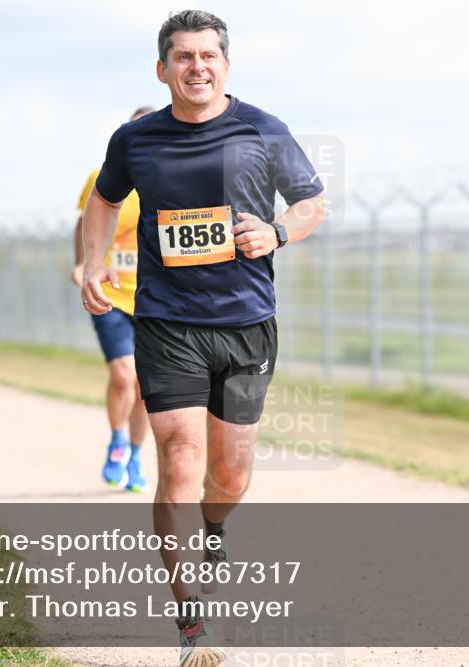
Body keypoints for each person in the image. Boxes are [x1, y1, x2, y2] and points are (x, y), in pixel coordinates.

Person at [79, 10, 325, 666]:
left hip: (247, 325)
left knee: (231, 471)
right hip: (167, 323)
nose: (196, 67)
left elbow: (311, 203)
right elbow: (102, 202)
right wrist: (92, 262)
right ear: (163, 69)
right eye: (182, 57)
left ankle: (215, 526)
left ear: (225, 64)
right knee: (182, 461)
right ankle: (192, 627)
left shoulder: (263, 130)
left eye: (207, 56)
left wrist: (277, 232)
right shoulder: (136, 140)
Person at [72, 106, 155, 492]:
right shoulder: (103, 176)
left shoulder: (167, 179)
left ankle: (137, 455)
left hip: (155, 297)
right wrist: (84, 262)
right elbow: (85, 219)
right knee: (124, 374)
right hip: (111, 291)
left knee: (146, 387)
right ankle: (118, 440)